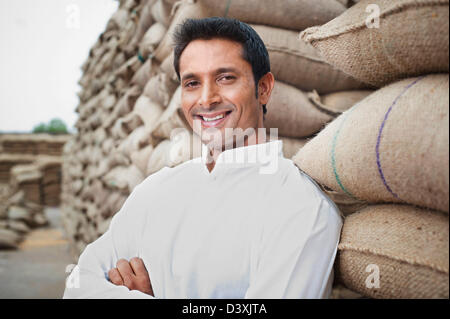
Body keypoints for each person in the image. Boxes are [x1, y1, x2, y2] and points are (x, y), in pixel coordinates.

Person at [63, 17, 342, 299]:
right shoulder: (155, 191)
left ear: (264, 88)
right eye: (192, 83)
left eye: (225, 78)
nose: (207, 99)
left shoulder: (299, 207)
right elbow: (79, 284)